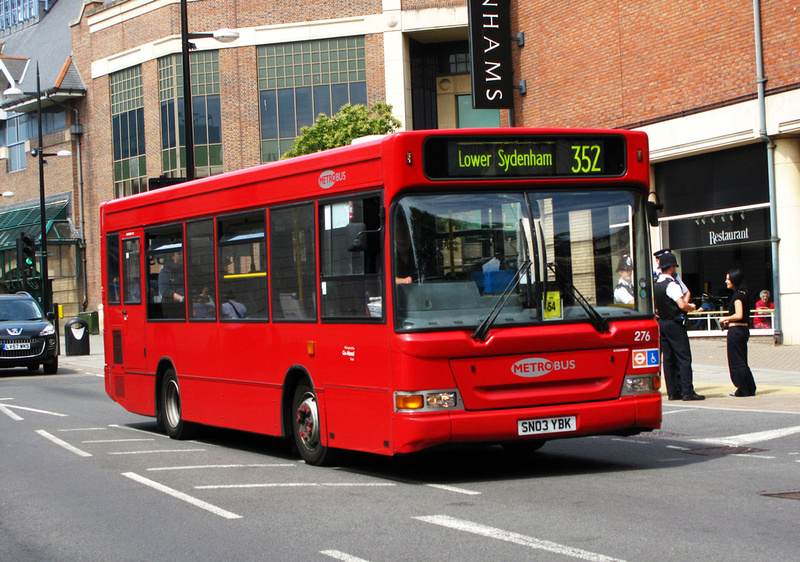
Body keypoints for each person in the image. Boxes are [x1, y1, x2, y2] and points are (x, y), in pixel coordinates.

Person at [654, 252, 704, 401]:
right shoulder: (672, 285)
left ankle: (672, 392)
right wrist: (692, 307)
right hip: (674, 323)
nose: (675, 269)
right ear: (671, 268)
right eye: (674, 266)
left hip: (662, 323)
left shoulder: (656, 285)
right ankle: (687, 391)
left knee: (668, 359)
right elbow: (682, 305)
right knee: (683, 357)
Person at [719, 269, 757, 397]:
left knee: (736, 361)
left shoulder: (737, 296)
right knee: (742, 360)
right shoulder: (744, 294)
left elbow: (739, 314)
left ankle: (742, 388)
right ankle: (749, 387)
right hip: (743, 330)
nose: (726, 281)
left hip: (736, 331)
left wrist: (725, 318)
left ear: (735, 280)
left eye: (728, 279)